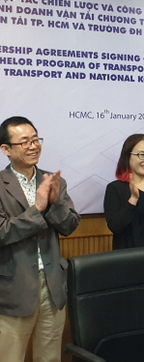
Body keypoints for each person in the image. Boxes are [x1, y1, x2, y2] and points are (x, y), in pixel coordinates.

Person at [0, 116, 80, 362]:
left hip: (52, 287)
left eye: (36, 140)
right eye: (24, 142)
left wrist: (54, 205)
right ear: (6, 149)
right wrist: (38, 209)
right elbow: (2, 232)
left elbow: (70, 226)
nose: (33, 146)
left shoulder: (54, 181)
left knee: (50, 358)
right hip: (13, 289)